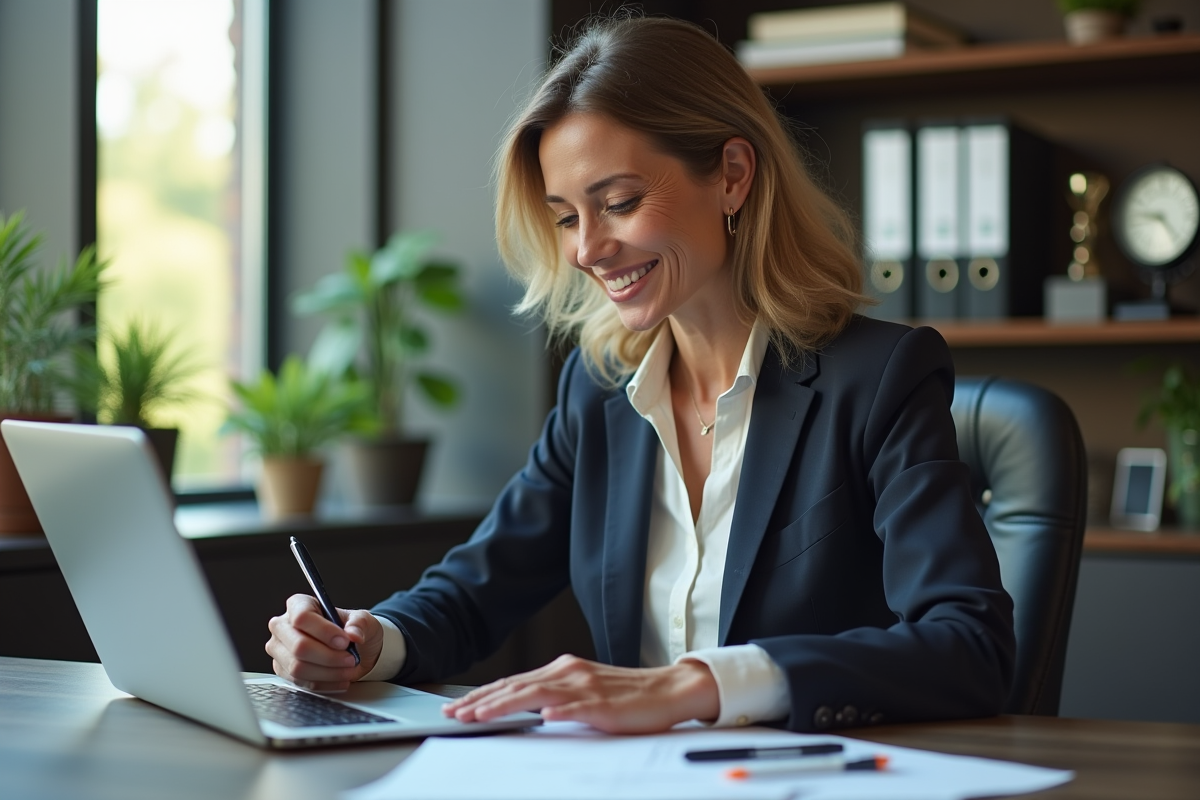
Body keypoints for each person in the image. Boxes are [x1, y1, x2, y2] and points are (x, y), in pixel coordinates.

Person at [266, 15, 1015, 735]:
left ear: (731, 175)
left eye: (618, 203)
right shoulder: (598, 395)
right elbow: (474, 590)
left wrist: (697, 684)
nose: (588, 249)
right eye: (565, 217)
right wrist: (366, 641)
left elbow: (969, 645)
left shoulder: (878, 377)